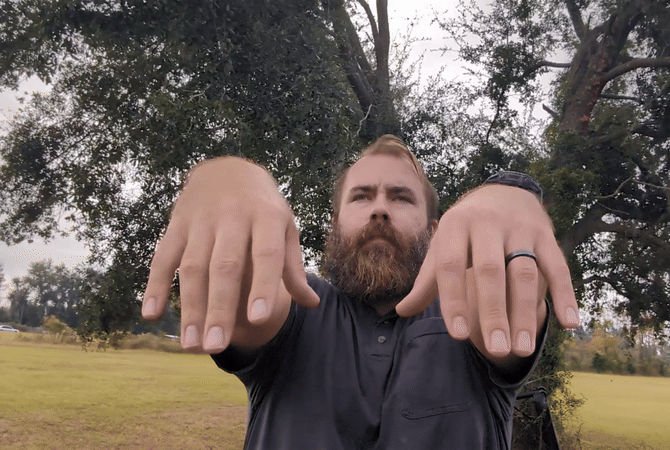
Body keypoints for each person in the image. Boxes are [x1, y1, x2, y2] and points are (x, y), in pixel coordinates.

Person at [142, 135, 580, 449]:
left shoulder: (465, 310)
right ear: (335, 225)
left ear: (436, 231)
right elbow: (249, 292)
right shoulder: (297, 304)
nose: (380, 210)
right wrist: (229, 177)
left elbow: (505, 297)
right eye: (361, 197)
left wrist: (508, 198)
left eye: (402, 198)